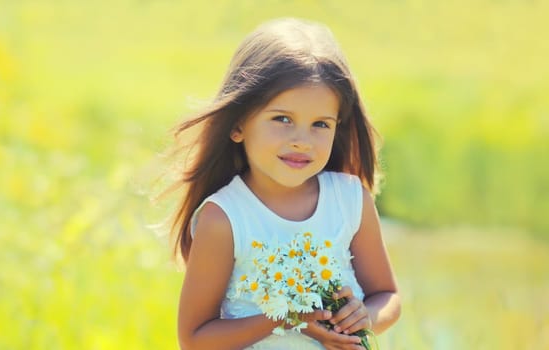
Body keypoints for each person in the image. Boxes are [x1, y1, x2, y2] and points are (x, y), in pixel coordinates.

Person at [165, 18, 400, 349]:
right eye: (282, 119)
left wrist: (365, 316)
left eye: (320, 124)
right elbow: (195, 339)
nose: (302, 141)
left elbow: (387, 296)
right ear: (238, 125)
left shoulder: (350, 200)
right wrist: (289, 318)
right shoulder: (225, 218)